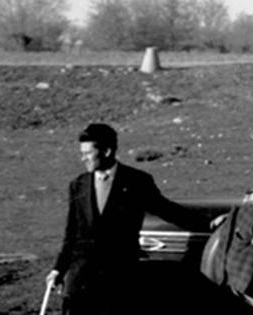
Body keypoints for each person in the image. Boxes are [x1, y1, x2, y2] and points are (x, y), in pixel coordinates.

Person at [45, 122, 208, 315]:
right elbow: (71, 234)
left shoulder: (137, 182)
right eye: (82, 153)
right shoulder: (77, 185)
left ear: (106, 151)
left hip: (119, 280)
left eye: (88, 153)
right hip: (81, 281)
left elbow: (167, 210)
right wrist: (58, 270)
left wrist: (208, 223)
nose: (83, 158)